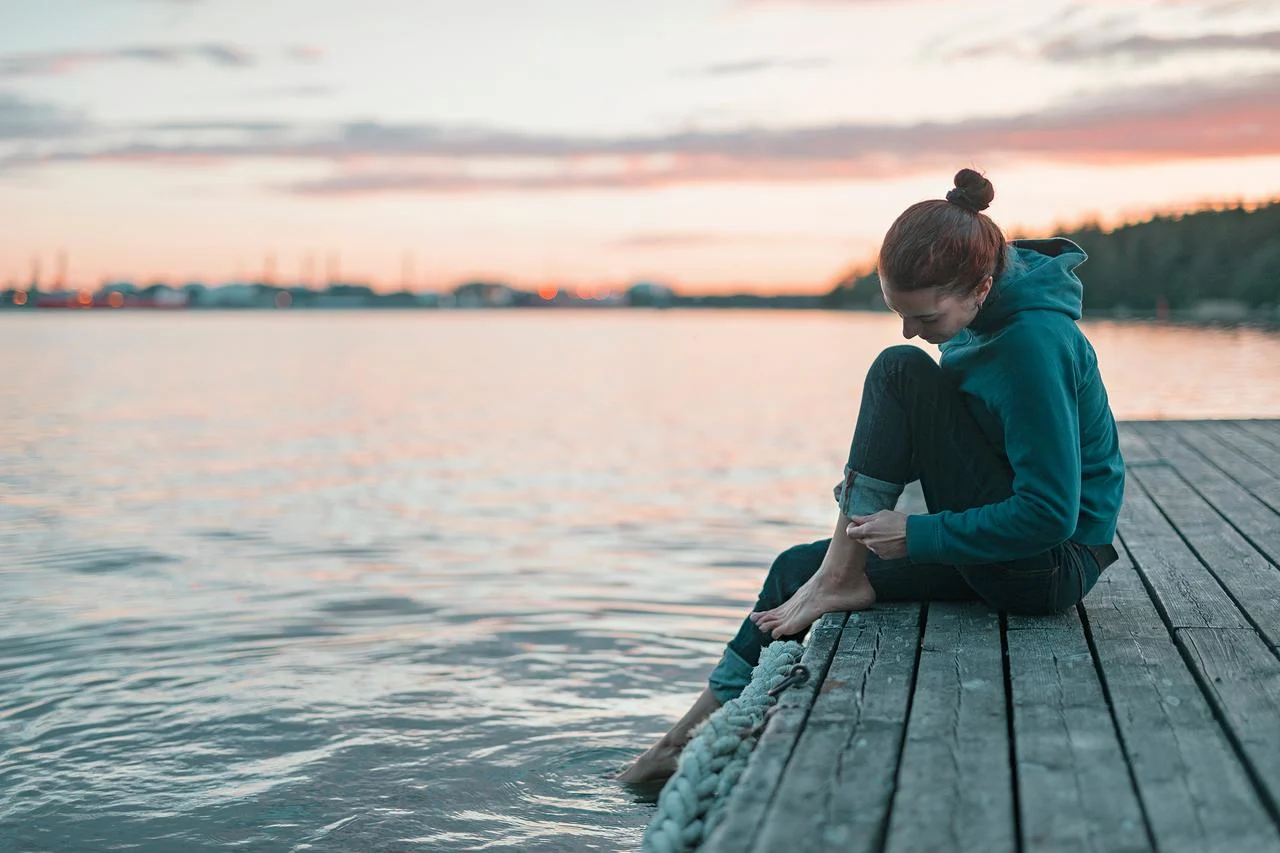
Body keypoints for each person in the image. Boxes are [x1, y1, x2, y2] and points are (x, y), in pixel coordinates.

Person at [618, 168, 1125, 787]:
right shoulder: (981, 319)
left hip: (1048, 565)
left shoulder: (1031, 343)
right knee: (793, 568)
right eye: (899, 312)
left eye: (926, 317)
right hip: (1014, 549)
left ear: (982, 285)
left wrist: (918, 534)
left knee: (898, 369)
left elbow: (1050, 514)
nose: (914, 329)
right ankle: (681, 741)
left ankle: (837, 578)